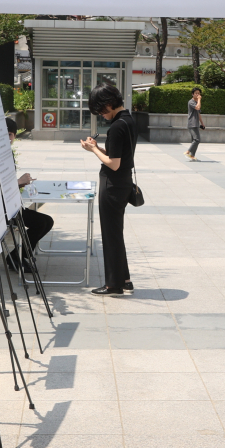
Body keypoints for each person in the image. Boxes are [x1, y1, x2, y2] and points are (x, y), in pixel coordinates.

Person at [81, 83, 135, 295]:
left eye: (102, 110)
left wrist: (93, 149)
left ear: (110, 104)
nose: (101, 114)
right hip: (123, 183)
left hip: (112, 185)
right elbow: (118, 155)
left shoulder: (117, 126)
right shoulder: (128, 120)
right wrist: (98, 148)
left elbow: (113, 163)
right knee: (116, 233)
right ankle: (125, 279)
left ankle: (114, 284)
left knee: (111, 235)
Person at [4, 117, 54, 267]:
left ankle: (19, 256)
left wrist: (20, 184)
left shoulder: (7, 153)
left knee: (46, 221)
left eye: (10, 135)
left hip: (11, 204)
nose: (7, 139)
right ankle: (16, 257)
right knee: (41, 222)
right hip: (1, 210)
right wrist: (18, 182)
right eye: (3, 135)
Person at [185, 87, 206, 160]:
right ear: (192, 94)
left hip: (196, 123)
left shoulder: (197, 102)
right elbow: (197, 108)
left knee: (194, 140)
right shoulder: (191, 102)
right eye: (196, 93)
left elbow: (198, 113)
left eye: (199, 93)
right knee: (197, 140)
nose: (197, 94)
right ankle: (188, 152)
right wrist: (199, 99)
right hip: (192, 123)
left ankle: (192, 156)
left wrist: (202, 123)